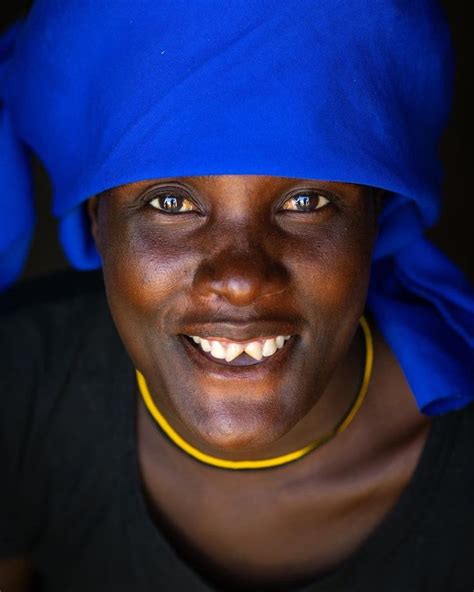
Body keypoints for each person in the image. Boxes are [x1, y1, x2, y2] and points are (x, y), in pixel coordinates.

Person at [0, 1, 473, 591]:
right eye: (171, 202)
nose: (243, 278)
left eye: (306, 202)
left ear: (376, 220)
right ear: (98, 223)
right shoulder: (20, 393)